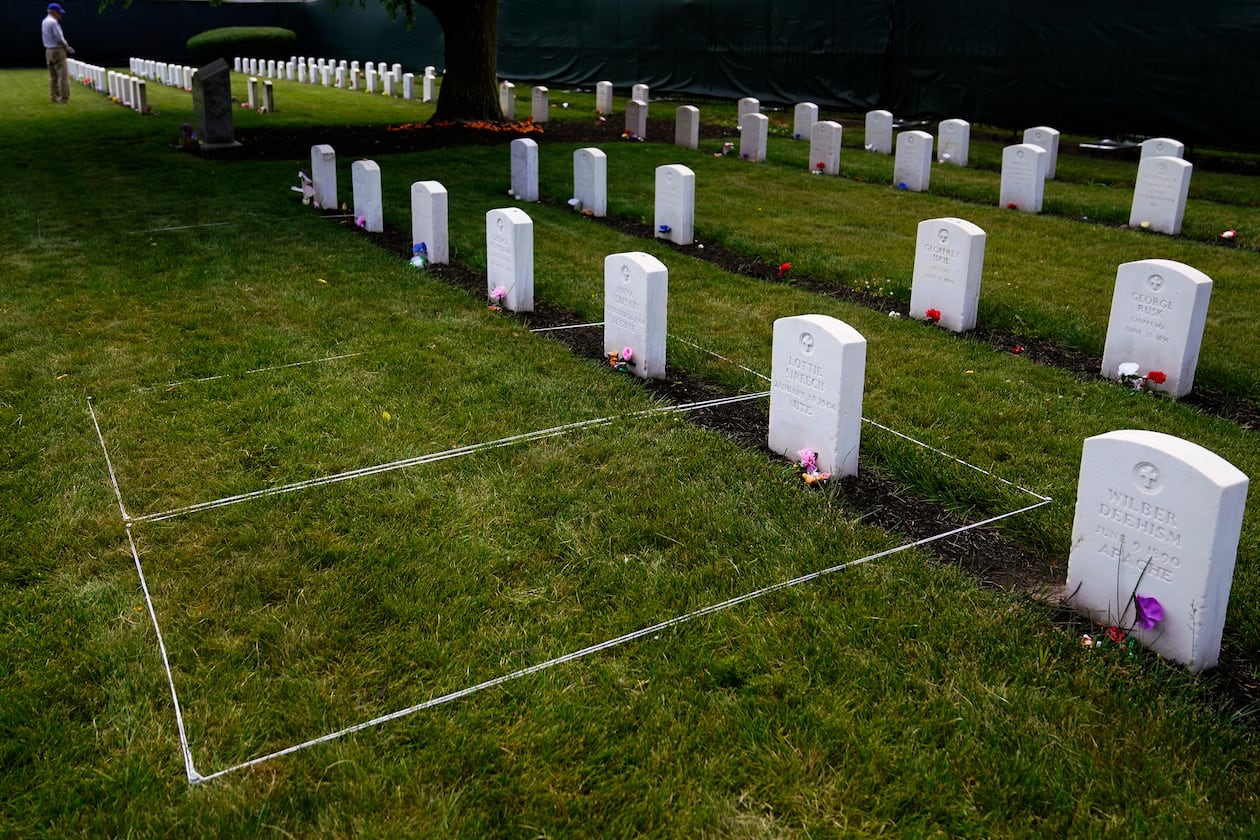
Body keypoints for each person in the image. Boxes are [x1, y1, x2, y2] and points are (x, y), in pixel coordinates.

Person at [42, 2, 74, 104]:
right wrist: (66, 46)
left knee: (53, 77)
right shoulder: (53, 22)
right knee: (63, 76)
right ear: (54, 12)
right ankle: (64, 98)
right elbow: (59, 37)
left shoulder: (44, 21)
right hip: (57, 50)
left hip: (48, 50)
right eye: (59, 13)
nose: (60, 15)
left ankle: (54, 96)